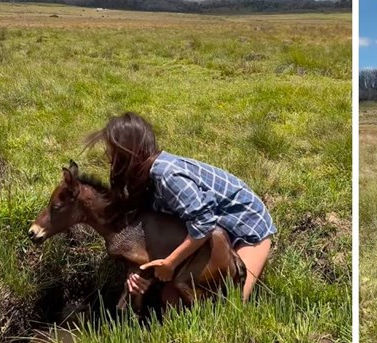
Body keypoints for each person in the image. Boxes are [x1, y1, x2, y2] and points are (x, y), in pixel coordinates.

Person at [85, 112, 276, 303]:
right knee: (170, 298)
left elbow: (204, 223)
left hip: (248, 228)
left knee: (233, 300)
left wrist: (171, 263)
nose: (109, 157)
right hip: (215, 233)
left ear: (127, 151)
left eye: (112, 151)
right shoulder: (145, 180)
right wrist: (135, 273)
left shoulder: (167, 176)